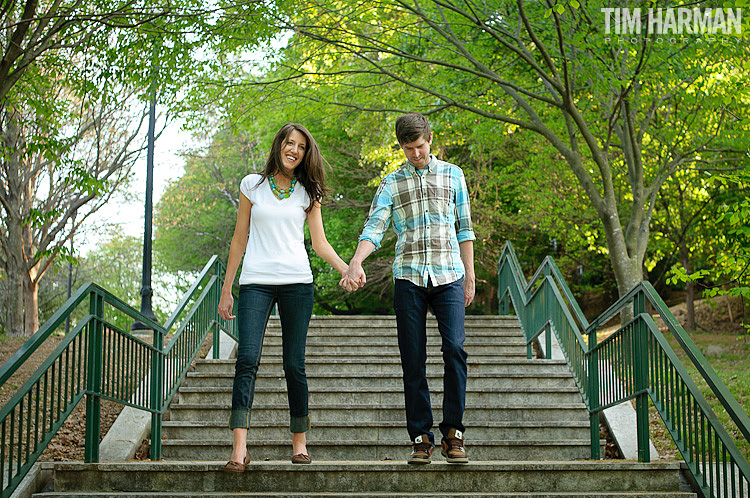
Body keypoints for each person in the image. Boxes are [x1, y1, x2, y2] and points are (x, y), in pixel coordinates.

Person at [343, 112, 476, 465]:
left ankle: (454, 433)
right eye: (408, 149)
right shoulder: (391, 183)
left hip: (449, 275)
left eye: (420, 146)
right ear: (400, 147)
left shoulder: (454, 175)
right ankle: (420, 437)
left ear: (430, 139)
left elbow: (464, 228)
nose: (416, 154)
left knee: (455, 350)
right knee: (413, 360)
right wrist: (356, 261)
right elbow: (375, 225)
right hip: (409, 278)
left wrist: (470, 274)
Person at [218, 123, 349, 471]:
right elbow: (239, 239)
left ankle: (300, 443)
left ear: (306, 154)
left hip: (297, 283)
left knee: (294, 364)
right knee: (247, 358)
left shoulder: (309, 191)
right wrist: (227, 288)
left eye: (301, 147)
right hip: (255, 283)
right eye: (289, 143)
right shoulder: (252, 185)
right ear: (278, 145)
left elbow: (319, 243)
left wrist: (346, 268)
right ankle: (239, 449)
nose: (294, 150)